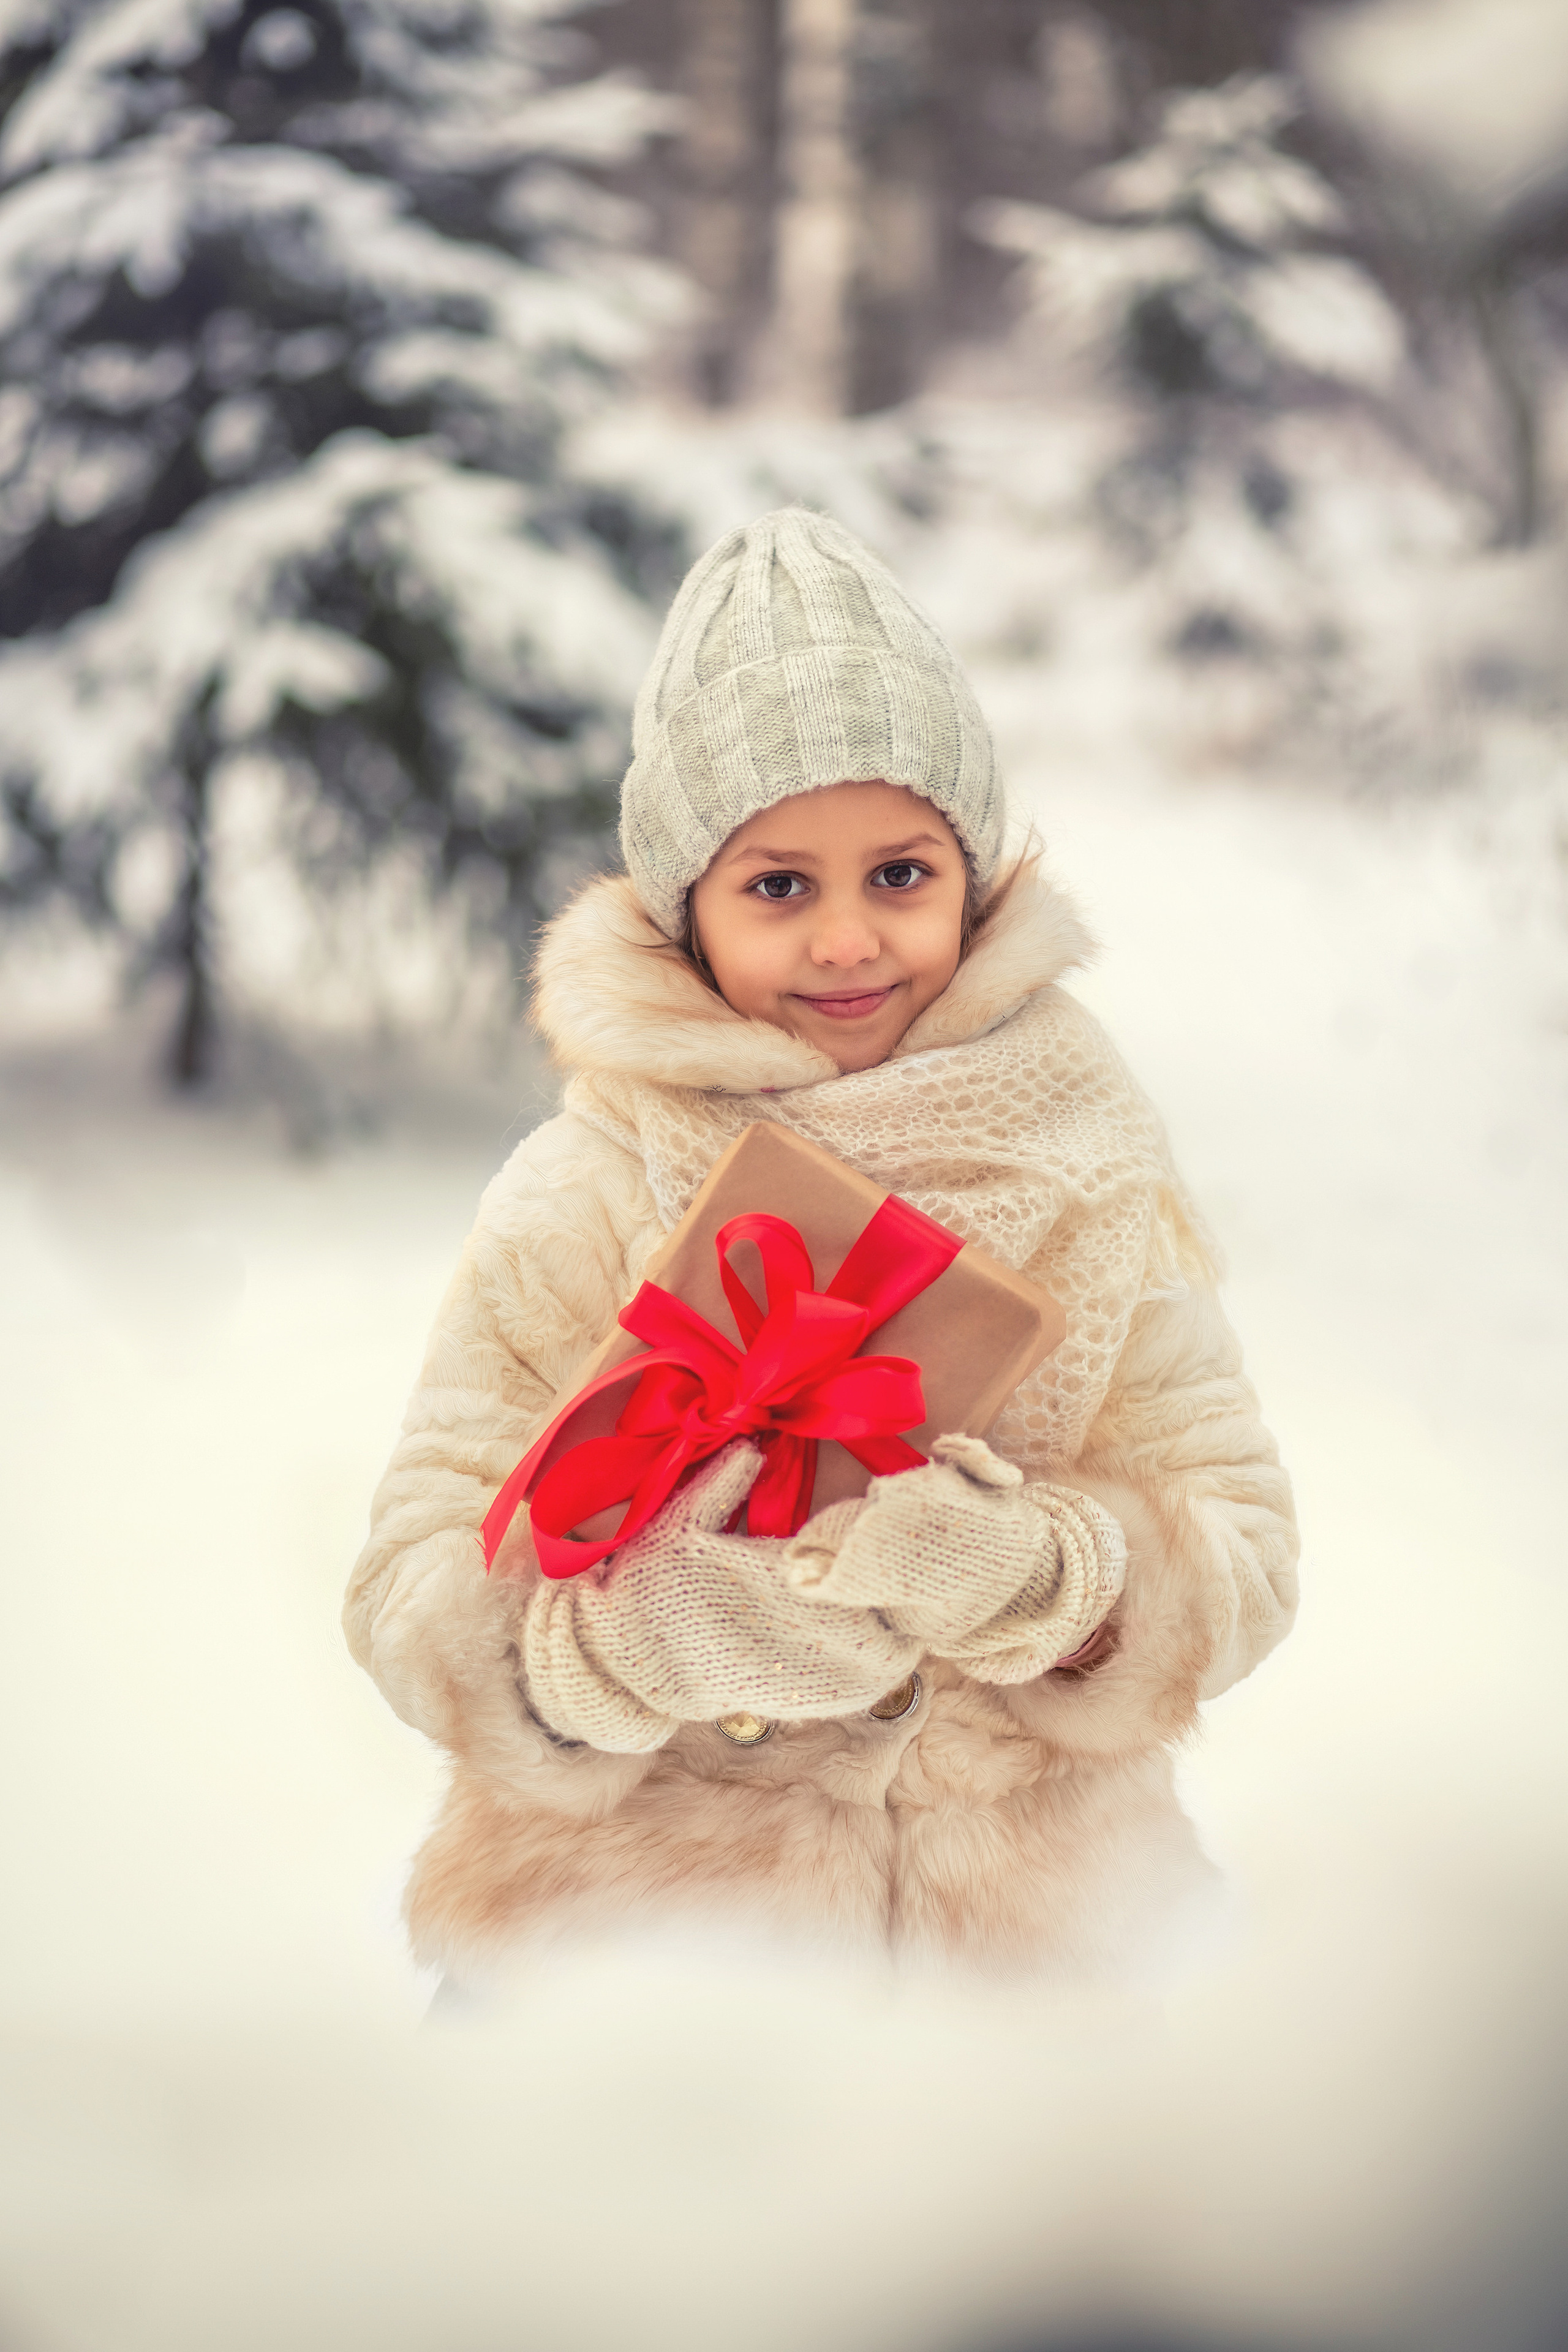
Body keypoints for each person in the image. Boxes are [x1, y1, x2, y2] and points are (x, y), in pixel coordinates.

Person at [344, 507, 1298, 1986]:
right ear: (690, 910)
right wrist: (626, 1647)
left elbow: (1240, 1544)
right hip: (644, 1974)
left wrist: (1051, 1583)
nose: (849, 941)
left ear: (970, 877)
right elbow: (409, 1588)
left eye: (900, 875)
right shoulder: (584, 1187)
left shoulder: (1086, 1155)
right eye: (779, 885)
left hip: (1032, 1975)